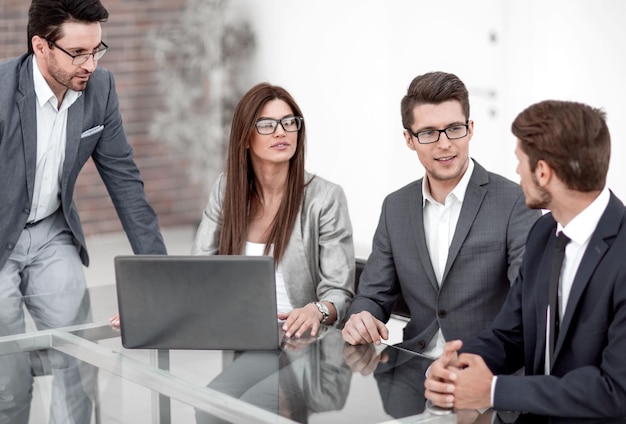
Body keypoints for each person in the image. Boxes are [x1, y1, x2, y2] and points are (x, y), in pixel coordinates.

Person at [0, 0, 166, 422]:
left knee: (79, 354)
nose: (90, 64)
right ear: (40, 46)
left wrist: (161, 276)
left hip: (53, 230)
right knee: (9, 376)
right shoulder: (1, 91)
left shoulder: (100, 89)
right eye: (77, 53)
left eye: (96, 50)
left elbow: (125, 181)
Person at [424, 100, 626, 418]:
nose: (517, 171)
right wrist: (455, 366)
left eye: (520, 161)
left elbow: (616, 390)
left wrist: (493, 390)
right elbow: (510, 334)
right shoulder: (543, 233)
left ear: (543, 171)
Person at [342, 71, 540, 356]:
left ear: (470, 128)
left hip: (486, 372)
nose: (444, 143)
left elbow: (526, 308)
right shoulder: (395, 208)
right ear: (409, 140)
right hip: (411, 369)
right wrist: (360, 317)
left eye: (454, 129)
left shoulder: (515, 202)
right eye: (428, 133)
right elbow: (373, 295)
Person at [191, 82, 355, 338]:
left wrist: (316, 310)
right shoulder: (227, 189)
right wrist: (158, 307)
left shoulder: (325, 198)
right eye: (267, 125)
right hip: (237, 337)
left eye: (289, 122)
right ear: (245, 138)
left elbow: (339, 292)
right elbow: (199, 270)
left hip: (301, 345)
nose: (281, 132)